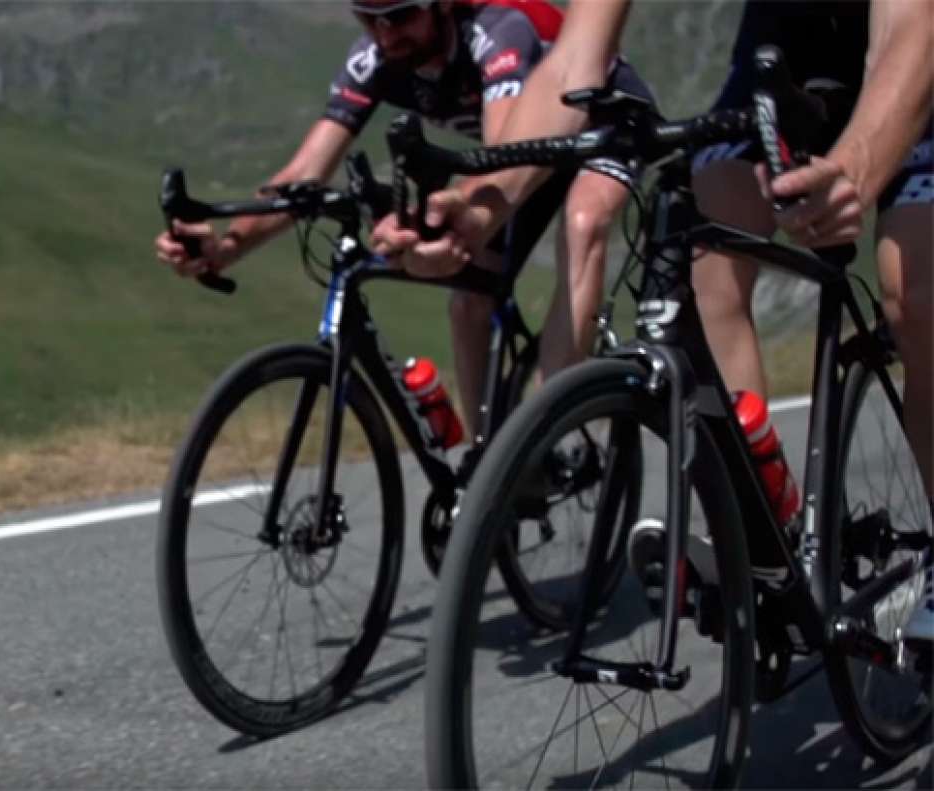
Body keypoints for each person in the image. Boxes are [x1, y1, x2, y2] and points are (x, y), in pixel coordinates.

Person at [371, 0, 934, 639]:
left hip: (911, 46)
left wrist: (856, 171)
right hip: (790, 42)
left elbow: (909, 28)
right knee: (709, 247)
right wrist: (479, 208)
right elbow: (570, 69)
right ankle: (761, 529)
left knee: (912, 289)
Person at [154, 0, 657, 438]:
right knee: (468, 300)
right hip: (524, 157)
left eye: (401, 16)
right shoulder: (372, 58)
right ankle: (487, 465)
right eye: (369, 19)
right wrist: (228, 245)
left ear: (440, 4)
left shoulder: (499, 30)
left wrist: (447, 210)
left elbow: (505, 152)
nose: (387, 34)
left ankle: (552, 429)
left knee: (585, 221)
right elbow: (305, 172)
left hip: (603, 123)